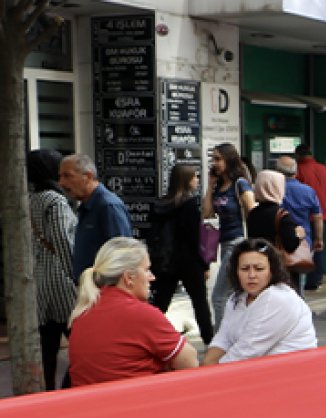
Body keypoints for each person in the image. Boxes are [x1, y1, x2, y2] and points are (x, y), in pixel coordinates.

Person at [67, 237, 198, 386]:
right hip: (136, 403)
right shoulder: (141, 314)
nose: (152, 277)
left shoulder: (82, 314)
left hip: (91, 405)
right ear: (128, 278)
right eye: (147, 269)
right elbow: (191, 363)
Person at [202, 239, 317, 365]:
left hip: (290, 373)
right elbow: (223, 339)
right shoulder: (236, 297)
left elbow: (245, 352)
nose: (251, 275)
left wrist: (207, 376)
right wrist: (206, 365)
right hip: (259, 370)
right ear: (236, 272)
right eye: (245, 269)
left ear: (271, 271)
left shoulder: (276, 298)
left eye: (259, 269)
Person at [28, 149, 77, 391]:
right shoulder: (55, 201)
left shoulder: (30, 199)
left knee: (47, 346)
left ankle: (46, 391)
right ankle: (71, 388)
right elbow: (62, 241)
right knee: (81, 343)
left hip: (40, 279)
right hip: (61, 280)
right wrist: (76, 276)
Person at [150, 164, 214, 346]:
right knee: (200, 303)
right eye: (195, 177)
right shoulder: (190, 204)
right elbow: (195, 238)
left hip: (166, 261)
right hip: (189, 261)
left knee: (160, 303)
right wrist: (205, 264)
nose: (197, 181)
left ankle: (148, 337)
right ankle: (209, 340)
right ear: (187, 180)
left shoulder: (160, 204)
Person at [203, 143, 257, 328]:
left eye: (218, 159)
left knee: (219, 296)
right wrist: (210, 186)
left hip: (237, 243)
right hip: (224, 243)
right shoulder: (219, 186)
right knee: (237, 295)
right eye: (213, 159)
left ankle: (220, 343)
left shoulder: (240, 184)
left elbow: (252, 213)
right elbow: (207, 213)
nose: (215, 163)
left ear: (229, 159)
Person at [58, 153, 131, 279]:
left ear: (88, 176)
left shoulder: (108, 206)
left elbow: (121, 254)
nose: (61, 183)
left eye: (67, 176)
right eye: (60, 176)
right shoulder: (86, 207)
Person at [294, 143, 326, 291]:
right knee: (318, 246)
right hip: (323, 215)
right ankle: (316, 279)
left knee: (302, 248)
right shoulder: (325, 170)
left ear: (298, 156)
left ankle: (305, 280)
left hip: (304, 216)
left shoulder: (299, 170)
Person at [276, 155, 323, 294]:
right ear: (296, 172)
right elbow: (318, 217)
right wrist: (318, 239)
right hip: (303, 242)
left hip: (280, 243)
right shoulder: (308, 191)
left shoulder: (276, 191)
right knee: (299, 284)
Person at [245, 170, 303, 253]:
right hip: (275, 261)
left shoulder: (252, 214)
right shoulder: (282, 216)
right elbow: (290, 246)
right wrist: (299, 235)